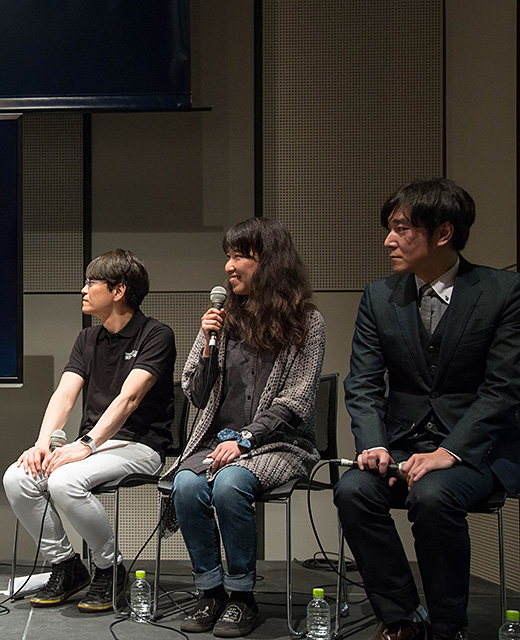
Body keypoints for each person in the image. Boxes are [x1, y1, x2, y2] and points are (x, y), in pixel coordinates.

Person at [334, 178, 520, 640]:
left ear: (443, 233)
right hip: (402, 443)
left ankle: (446, 626)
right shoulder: (379, 297)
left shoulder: (503, 291)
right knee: (353, 490)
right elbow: (362, 381)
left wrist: (449, 452)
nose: (388, 240)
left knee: (433, 496)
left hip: (474, 451)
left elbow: (503, 388)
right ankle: (401, 617)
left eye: (401, 228)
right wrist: (374, 442)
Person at [163, 217, 325, 637]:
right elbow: (195, 395)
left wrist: (246, 439)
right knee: (184, 483)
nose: (228, 266)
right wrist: (206, 344)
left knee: (229, 484)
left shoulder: (306, 322)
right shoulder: (221, 318)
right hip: (217, 443)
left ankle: (241, 597)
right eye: (227, 256)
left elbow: (298, 401)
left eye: (240, 256)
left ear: (268, 261)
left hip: (278, 443)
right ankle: (210, 592)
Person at [3, 249, 176, 612]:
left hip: (140, 445)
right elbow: (64, 395)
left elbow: (129, 399)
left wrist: (86, 444)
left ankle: (110, 568)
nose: (82, 290)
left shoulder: (156, 334)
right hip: (94, 446)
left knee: (64, 482)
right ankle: (66, 566)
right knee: (18, 478)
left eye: (90, 282)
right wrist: (41, 445)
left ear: (118, 291)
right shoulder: (87, 339)